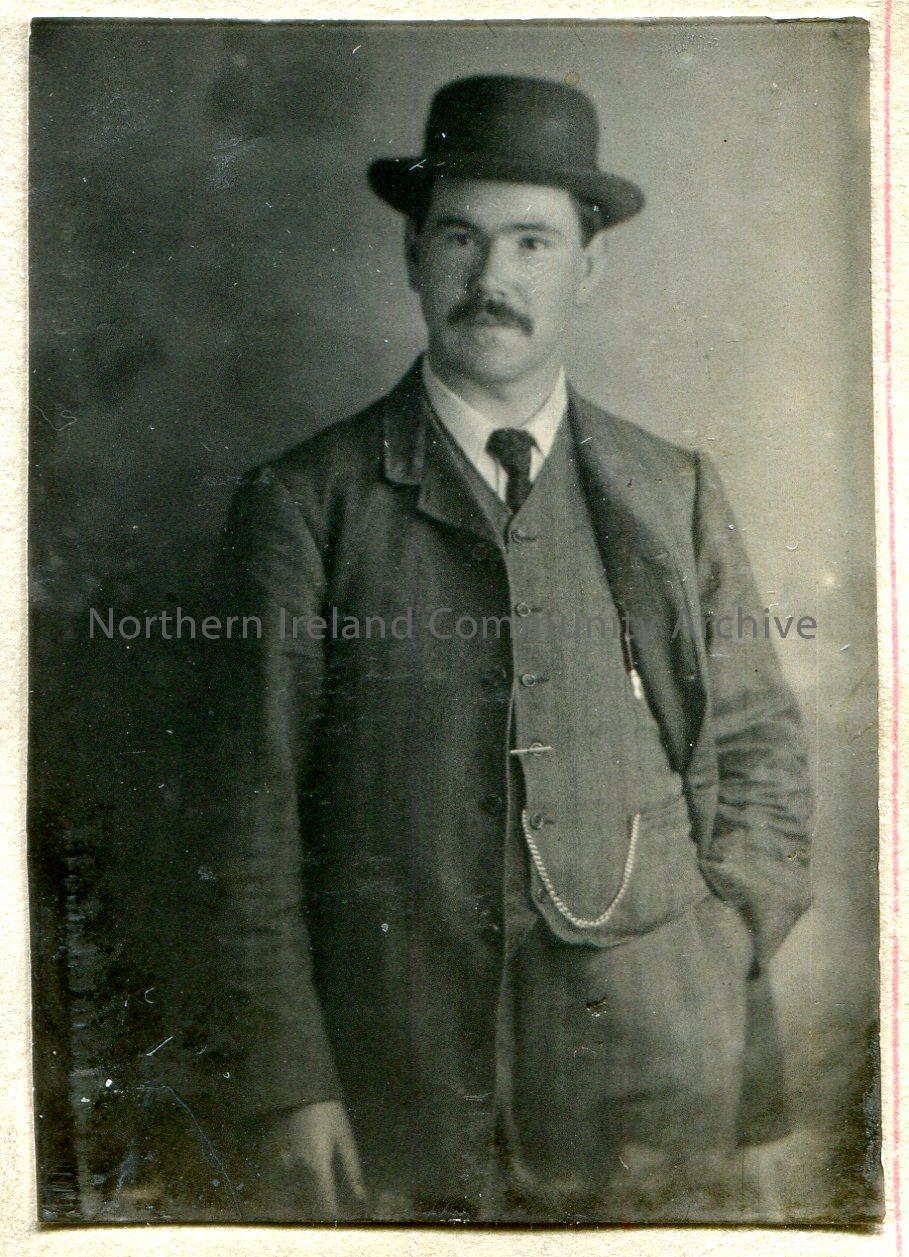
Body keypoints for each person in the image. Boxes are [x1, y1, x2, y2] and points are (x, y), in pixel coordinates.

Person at [198, 74, 813, 1222]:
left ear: (589, 265)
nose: (494, 279)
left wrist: (716, 952)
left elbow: (759, 751)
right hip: (404, 1092)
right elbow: (251, 815)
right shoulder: (304, 503)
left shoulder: (672, 489)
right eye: (460, 238)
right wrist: (292, 1083)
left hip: (662, 1089)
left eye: (532, 242)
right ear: (413, 255)